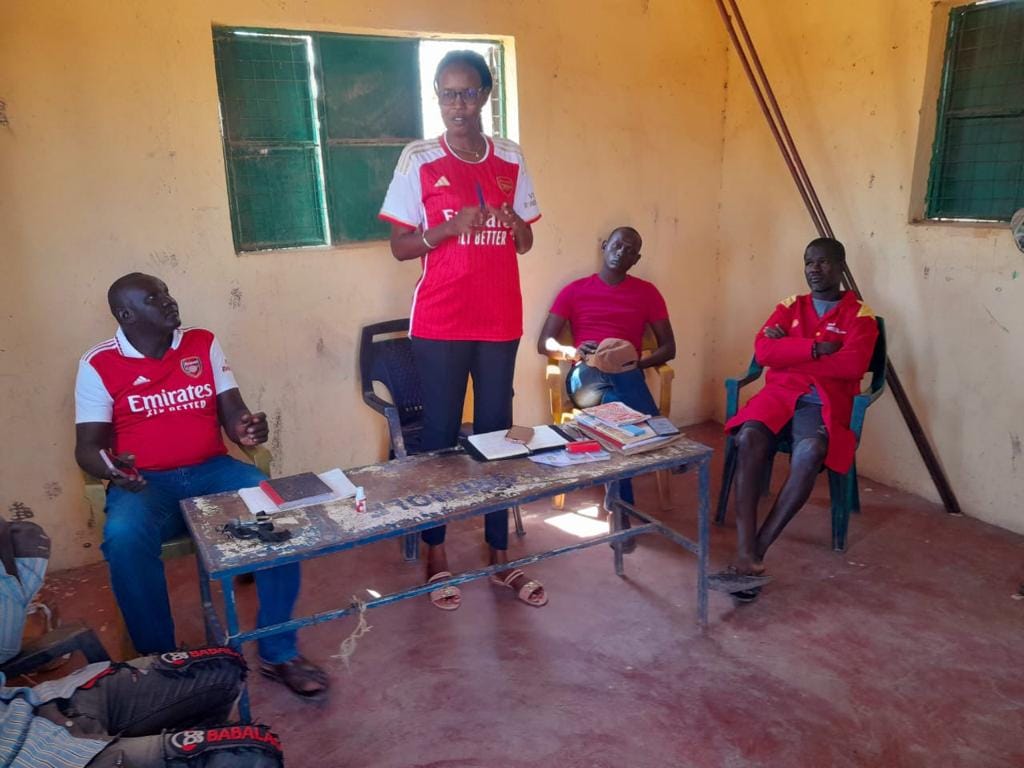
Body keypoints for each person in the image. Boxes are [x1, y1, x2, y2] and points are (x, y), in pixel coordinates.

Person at [74, 273, 328, 698]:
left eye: (166, 292)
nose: (168, 301)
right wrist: (112, 469)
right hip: (146, 485)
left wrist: (247, 429)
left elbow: (234, 413)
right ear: (126, 315)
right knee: (123, 537)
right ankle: (160, 662)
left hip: (212, 472)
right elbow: (87, 447)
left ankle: (278, 650)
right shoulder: (98, 363)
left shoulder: (202, 343)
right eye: (154, 298)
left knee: (277, 510)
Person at [379, 50, 545, 610]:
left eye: (468, 93)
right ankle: (436, 553)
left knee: (497, 435)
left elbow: (526, 243)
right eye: (448, 94)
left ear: (485, 96)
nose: (458, 104)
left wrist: (515, 224)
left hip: (499, 319)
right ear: (437, 96)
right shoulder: (419, 158)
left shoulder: (511, 157)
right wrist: (448, 227)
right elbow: (401, 247)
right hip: (440, 321)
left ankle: (499, 556)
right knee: (440, 438)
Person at [0, 516, 283, 767]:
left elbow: (25, 540)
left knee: (224, 669)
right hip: (35, 758)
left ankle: (280, 655)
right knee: (254, 757)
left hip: (34, 709)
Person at [712, 237, 878, 601]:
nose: (814, 269)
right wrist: (816, 349)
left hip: (822, 404)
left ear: (841, 267)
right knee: (748, 437)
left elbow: (853, 365)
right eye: (808, 262)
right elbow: (763, 351)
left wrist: (788, 352)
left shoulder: (860, 316)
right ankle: (745, 550)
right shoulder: (790, 306)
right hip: (779, 395)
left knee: (810, 452)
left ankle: (755, 553)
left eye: (823, 262)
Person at [537, 226, 676, 548]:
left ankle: (619, 513)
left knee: (617, 417)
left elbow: (669, 347)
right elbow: (544, 343)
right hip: (585, 378)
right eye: (617, 245)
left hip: (625, 380)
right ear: (604, 246)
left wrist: (635, 363)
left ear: (636, 259)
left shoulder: (647, 293)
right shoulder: (575, 290)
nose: (621, 252)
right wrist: (571, 352)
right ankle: (662, 434)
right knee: (612, 381)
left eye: (630, 250)